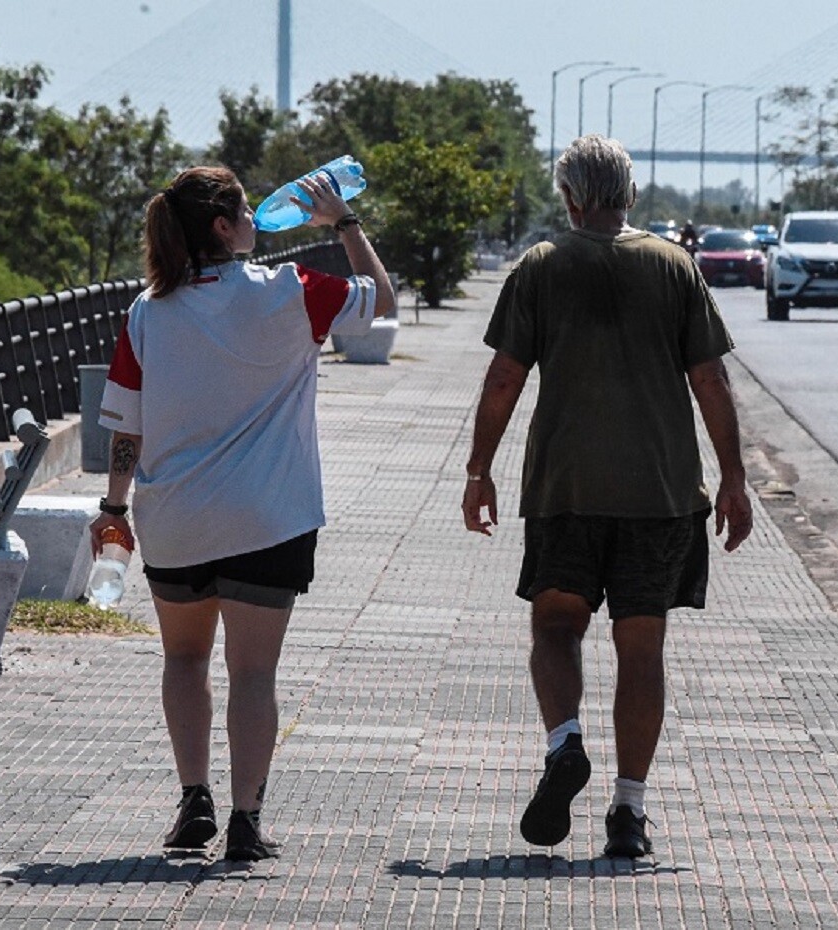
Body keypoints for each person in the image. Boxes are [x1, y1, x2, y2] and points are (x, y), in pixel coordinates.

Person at [90, 165, 394, 861]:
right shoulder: (292, 291)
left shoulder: (147, 310)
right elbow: (382, 301)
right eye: (246, 211)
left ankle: (193, 798)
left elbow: (126, 430)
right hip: (268, 518)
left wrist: (113, 508)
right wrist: (343, 222)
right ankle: (246, 822)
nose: (258, 219)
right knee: (253, 674)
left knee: (184, 657)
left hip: (175, 519)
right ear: (224, 227)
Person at [461, 135, 753, 858]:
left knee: (555, 628)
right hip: (659, 493)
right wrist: (734, 478)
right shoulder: (675, 267)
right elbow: (711, 380)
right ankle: (629, 812)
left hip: (565, 488)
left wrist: (478, 469)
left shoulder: (540, 268)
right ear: (629, 193)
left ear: (569, 197)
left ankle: (564, 744)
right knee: (641, 646)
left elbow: (504, 379)